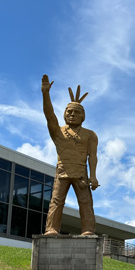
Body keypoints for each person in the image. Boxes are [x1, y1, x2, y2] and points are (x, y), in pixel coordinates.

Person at [41, 74, 99, 236]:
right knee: (56, 202)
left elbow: (92, 156)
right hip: (62, 171)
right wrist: (45, 93)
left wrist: (93, 176)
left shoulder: (90, 135)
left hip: (81, 172)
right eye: (69, 111)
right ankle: (51, 229)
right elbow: (49, 115)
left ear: (83, 116)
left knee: (85, 202)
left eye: (76, 112)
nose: (72, 114)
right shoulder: (58, 132)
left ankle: (88, 229)